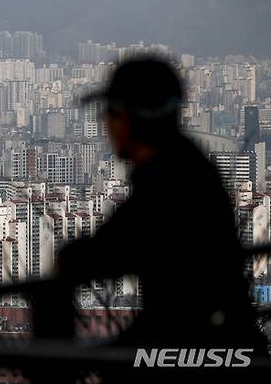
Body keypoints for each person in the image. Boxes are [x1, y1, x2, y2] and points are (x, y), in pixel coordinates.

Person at [56, 57, 267, 353]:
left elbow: (104, 250)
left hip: (194, 344)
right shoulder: (184, 163)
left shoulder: (168, 180)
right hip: (209, 337)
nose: (105, 123)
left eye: (111, 113)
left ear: (132, 119)